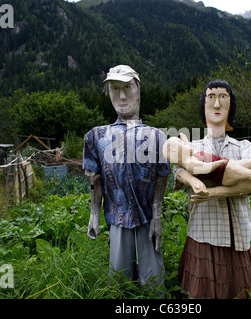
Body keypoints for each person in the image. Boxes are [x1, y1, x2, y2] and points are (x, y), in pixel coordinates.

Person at [174, 79, 251, 299]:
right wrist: (192, 180)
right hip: (203, 226)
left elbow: (248, 185)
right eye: (211, 98)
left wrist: (211, 191)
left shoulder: (243, 146)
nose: (216, 105)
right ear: (203, 106)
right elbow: (177, 170)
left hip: (236, 228)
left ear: (230, 105)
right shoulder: (193, 147)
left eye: (223, 98)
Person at [83, 65, 171, 291]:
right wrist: (94, 215)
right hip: (118, 217)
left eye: (127, 87)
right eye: (115, 88)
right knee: (118, 282)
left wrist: (158, 216)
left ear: (138, 89)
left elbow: (162, 177)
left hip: (147, 217)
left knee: (152, 281)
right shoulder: (96, 136)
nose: (122, 95)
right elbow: (95, 179)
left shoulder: (156, 136)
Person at [163, 134, 251, 196]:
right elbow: (205, 168)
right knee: (245, 173)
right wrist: (218, 163)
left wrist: (184, 139)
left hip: (227, 166)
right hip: (224, 174)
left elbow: (188, 145)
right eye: (180, 143)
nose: (183, 143)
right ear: (176, 151)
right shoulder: (190, 164)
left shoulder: (191, 153)